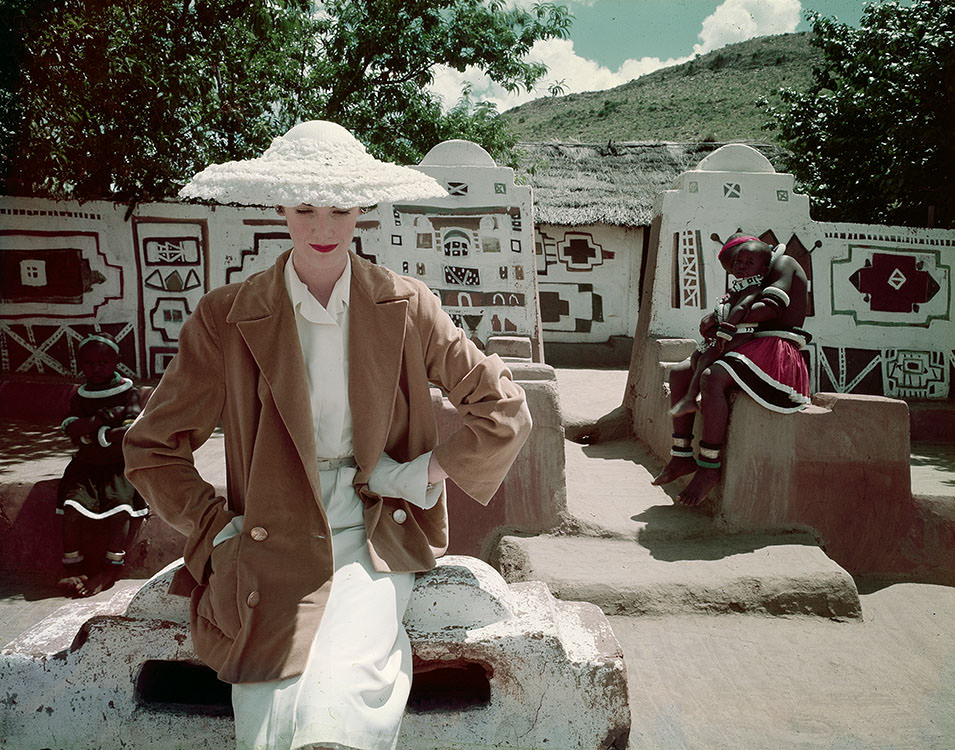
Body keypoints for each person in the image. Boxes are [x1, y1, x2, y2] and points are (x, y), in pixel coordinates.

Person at [123, 120, 532, 750]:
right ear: (280, 208)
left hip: (374, 524)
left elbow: (502, 409)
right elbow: (152, 448)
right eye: (306, 208)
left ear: (361, 208)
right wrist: (214, 528)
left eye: (340, 208)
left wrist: (417, 474)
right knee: (271, 698)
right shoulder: (226, 315)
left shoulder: (406, 304)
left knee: (343, 688)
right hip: (271, 530)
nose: (323, 227)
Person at [651, 234, 811, 506]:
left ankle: (709, 467)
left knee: (712, 377)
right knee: (679, 373)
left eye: (743, 262)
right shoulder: (754, 276)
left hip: (776, 350)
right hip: (750, 343)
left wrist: (718, 318)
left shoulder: (784, 263)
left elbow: (770, 309)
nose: (739, 270)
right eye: (735, 266)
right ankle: (681, 455)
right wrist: (715, 321)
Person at [57, 332, 147, 597]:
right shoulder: (80, 396)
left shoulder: (128, 393)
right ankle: (73, 568)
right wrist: (103, 419)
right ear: (80, 364)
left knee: (120, 511)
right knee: (72, 509)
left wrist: (92, 433)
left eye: (103, 362)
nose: (96, 368)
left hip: (119, 466)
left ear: (116, 362)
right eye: (89, 363)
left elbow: (128, 433)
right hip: (84, 467)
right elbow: (70, 429)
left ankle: (110, 570)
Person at [668, 239, 776, 418]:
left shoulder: (753, 289)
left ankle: (690, 399)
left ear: (763, 270)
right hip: (727, 333)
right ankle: (697, 397)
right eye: (739, 261)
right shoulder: (739, 287)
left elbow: (740, 308)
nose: (742, 266)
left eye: (749, 263)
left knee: (706, 359)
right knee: (697, 357)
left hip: (738, 335)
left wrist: (724, 332)